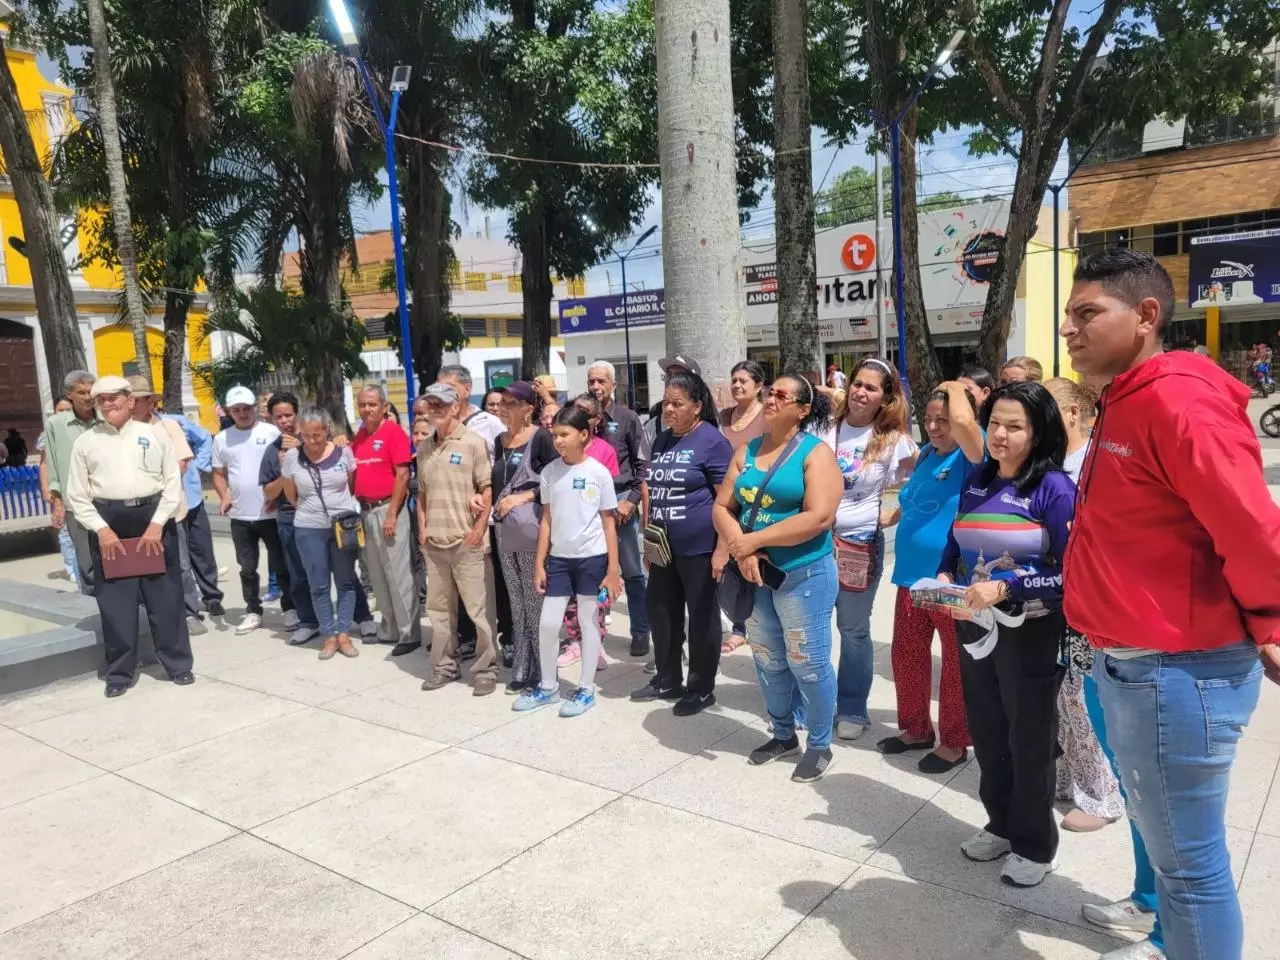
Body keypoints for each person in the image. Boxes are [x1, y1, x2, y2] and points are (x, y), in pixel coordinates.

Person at [1062, 248, 1280, 960]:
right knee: (1175, 857)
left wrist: (1272, 617)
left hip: (1176, 672)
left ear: (1146, 315)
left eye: (1087, 313)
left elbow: (1250, 527)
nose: (1069, 328)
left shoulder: (1177, 401)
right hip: (1137, 663)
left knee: (1190, 871)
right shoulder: (1127, 397)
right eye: (1068, 314)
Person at [937, 380, 1074, 888]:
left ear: (1039, 433)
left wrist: (1009, 585)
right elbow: (957, 542)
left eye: (1014, 426)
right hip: (974, 624)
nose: (999, 435)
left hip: (1030, 631)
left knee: (1029, 737)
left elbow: (1073, 572)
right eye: (994, 422)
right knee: (989, 730)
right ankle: (1000, 823)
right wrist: (944, 575)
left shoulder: (1055, 489)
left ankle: (1034, 845)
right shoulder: (978, 479)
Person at [713, 374, 843, 783]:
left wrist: (753, 542)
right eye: (770, 392)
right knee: (768, 659)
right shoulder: (747, 450)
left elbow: (819, 517)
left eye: (781, 395)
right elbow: (722, 507)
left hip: (803, 575)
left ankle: (819, 744)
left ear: (802, 409)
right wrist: (743, 549)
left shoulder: (815, 453)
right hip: (754, 575)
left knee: (808, 663)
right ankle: (783, 735)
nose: (771, 398)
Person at [64, 375, 193, 697]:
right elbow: (77, 494)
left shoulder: (154, 435)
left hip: (152, 518)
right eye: (101, 399)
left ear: (130, 400)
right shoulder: (86, 443)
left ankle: (178, 665)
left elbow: (172, 482)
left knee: (166, 597)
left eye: (114, 397)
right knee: (116, 603)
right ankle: (119, 673)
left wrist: (158, 524)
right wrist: (102, 529)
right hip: (109, 521)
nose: (108, 404)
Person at [879, 382, 983, 773]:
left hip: (947, 577)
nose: (935, 427)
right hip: (910, 577)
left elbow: (966, 425)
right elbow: (915, 500)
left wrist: (954, 386)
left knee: (954, 665)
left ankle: (954, 742)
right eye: (929, 419)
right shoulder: (926, 453)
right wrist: (894, 514)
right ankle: (916, 729)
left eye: (944, 420)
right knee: (907, 655)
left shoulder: (972, 456)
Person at [1043, 377, 1124, 833]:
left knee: (1081, 696)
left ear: (1073, 413)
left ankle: (1102, 794)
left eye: (1047, 409)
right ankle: (1070, 777)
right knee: (1060, 694)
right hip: (1054, 596)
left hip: (1088, 600)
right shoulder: (1052, 462)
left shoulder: (1097, 460)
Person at [820, 357, 916, 741]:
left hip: (858, 546)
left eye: (871, 388)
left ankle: (852, 708)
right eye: (857, 384)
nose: (860, 392)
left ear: (885, 398)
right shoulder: (824, 429)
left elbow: (923, 481)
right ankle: (814, 702)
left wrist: (895, 513)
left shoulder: (894, 441)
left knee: (853, 630)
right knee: (810, 626)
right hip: (812, 543)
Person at [631, 372, 732, 715]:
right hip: (663, 547)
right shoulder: (661, 440)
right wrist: (648, 541)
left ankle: (701, 688)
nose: (669, 409)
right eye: (666, 403)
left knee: (701, 618)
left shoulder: (712, 442)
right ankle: (667, 678)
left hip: (700, 548)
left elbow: (726, 500)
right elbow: (653, 493)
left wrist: (722, 549)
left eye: (678, 404)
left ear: (697, 406)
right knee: (660, 612)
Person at [513, 406, 622, 717]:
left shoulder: (598, 473)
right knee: (548, 624)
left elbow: (609, 523)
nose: (558, 440)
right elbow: (546, 520)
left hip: (592, 559)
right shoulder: (549, 472)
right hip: (559, 560)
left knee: (588, 622)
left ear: (583, 435)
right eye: (555, 435)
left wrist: (612, 570)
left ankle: (586, 689)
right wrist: (540, 563)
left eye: (564, 434)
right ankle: (549, 687)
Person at [416, 382, 499, 695]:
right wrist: (423, 531)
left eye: (441, 404)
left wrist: (477, 533)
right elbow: (422, 494)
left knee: (479, 612)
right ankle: (444, 666)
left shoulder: (473, 443)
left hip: (467, 542)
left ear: (455, 407)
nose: (434, 409)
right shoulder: (425, 447)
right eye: (430, 404)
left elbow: (487, 490)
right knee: (438, 612)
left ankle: (485, 670)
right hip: (435, 543)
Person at [489, 381, 558, 693]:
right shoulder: (499, 440)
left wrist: (523, 496)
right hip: (503, 529)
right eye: (502, 402)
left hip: (530, 528)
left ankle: (543, 668)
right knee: (515, 599)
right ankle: (521, 665)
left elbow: (554, 480)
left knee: (534, 600)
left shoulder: (541, 438)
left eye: (511, 403)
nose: (503, 408)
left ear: (528, 409)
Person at [278, 408, 361, 660]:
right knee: (319, 584)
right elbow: (290, 493)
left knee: (346, 581)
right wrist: (309, 509)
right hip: (309, 527)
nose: (312, 440)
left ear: (327, 430)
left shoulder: (344, 452)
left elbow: (352, 484)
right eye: (307, 435)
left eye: (317, 434)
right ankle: (329, 634)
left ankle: (344, 633)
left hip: (343, 526)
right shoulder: (292, 457)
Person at [435, 365, 508, 656]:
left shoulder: (489, 423)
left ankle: (506, 638)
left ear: (467, 389)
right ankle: (467, 637)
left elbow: (503, 465)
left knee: (495, 583)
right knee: (460, 583)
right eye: (440, 387)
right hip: (453, 518)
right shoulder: (439, 424)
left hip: (486, 517)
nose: (444, 393)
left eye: (450, 387)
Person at [125, 376, 205, 637]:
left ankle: (190, 613)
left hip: (169, 508)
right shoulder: (119, 432)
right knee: (141, 565)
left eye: (138, 400)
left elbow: (182, 461)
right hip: (135, 511)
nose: (133, 405)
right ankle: (151, 616)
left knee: (179, 563)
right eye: (129, 400)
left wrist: (155, 485)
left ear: (150, 402)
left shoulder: (167, 426)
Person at [212, 385, 289, 636]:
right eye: (236, 410)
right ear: (229, 412)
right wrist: (224, 495)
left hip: (271, 512)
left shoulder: (272, 431)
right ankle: (253, 611)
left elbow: (285, 465)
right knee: (247, 567)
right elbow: (218, 473)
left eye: (246, 408)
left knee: (281, 564)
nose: (242, 413)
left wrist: (278, 495)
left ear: (255, 408)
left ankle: (290, 608)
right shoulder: (221, 439)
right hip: (240, 515)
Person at [352, 385, 422, 655]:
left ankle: (409, 633)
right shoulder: (359, 437)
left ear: (383, 407)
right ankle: (389, 628)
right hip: (366, 511)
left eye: (372, 404)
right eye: (362, 404)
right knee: (378, 574)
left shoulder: (393, 433)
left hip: (388, 510)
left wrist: (392, 515)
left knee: (399, 574)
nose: (367, 409)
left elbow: (402, 475)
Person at [587, 361, 650, 658]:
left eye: (601, 381)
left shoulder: (627, 418)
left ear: (614, 385)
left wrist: (632, 500)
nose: (595, 386)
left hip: (621, 501)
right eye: (591, 381)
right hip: (588, 503)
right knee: (594, 571)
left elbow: (642, 465)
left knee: (633, 570)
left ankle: (640, 630)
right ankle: (594, 632)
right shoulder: (580, 416)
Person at [557, 391, 618, 668]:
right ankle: (575, 643)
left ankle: (596, 643)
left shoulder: (604, 452)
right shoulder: (560, 452)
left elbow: (607, 505)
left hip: (594, 541)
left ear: (596, 421)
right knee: (571, 602)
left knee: (594, 599)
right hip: (566, 542)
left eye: (586, 413)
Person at [260, 394, 321, 645]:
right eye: (278, 417)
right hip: (289, 518)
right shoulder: (272, 451)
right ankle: (308, 621)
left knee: (335, 570)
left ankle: (357, 616)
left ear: (297, 414)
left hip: (318, 514)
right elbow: (268, 492)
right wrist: (284, 469)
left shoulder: (313, 440)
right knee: (297, 574)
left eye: (288, 415)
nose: (284, 421)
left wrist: (300, 449)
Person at [158, 392, 225, 622]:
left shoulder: (177, 421)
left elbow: (205, 438)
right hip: (167, 503)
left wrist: (199, 464)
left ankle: (212, 596)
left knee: (202, 548)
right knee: (179, 556)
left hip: (192, 494)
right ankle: (187, 604)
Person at [719, 360, 768, 654]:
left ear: (759, 386)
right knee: (731, 563)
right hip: (725, 498)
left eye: (743, 381)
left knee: (752, 560)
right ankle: (739, 625)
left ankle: (756, 624)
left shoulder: (766, 417)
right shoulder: (724, 416)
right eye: (734, 380)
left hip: (755, 499)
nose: (737, 385)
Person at [43, 370, 101, 594]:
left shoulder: (105, 420)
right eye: (81, 392)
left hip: (106, 499)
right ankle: (92, 600)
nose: (87, 397)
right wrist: (57, 503)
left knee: (112, 555)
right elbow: (53, 465)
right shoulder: (56, 424)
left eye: (90, 392)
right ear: (69, 394)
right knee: (85, 559)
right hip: (74, 503)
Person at [38, 399, 79, 584]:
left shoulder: (80, 428)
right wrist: (46, 488)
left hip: (80, 485)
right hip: (61, 487)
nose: (64, 414)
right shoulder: (48, 432)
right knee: (65, 530)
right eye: (60, 410)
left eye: (68, 410)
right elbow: (45, 463)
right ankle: (70, 565)